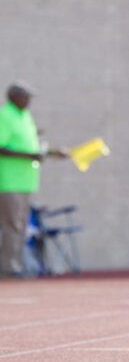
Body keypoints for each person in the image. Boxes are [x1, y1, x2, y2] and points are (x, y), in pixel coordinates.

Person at [0, 82, 68, 278]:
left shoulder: (26, 117)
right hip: (8, 182)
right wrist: (30, 156)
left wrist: (53, 152)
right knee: (12, 225)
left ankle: (17, 265)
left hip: (25, 182)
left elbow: (31, 146)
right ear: (14, 97)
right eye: (25, 97)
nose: (29, 101)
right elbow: (2, 147)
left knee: (21, 226)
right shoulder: (5, 116)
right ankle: (8, 268)